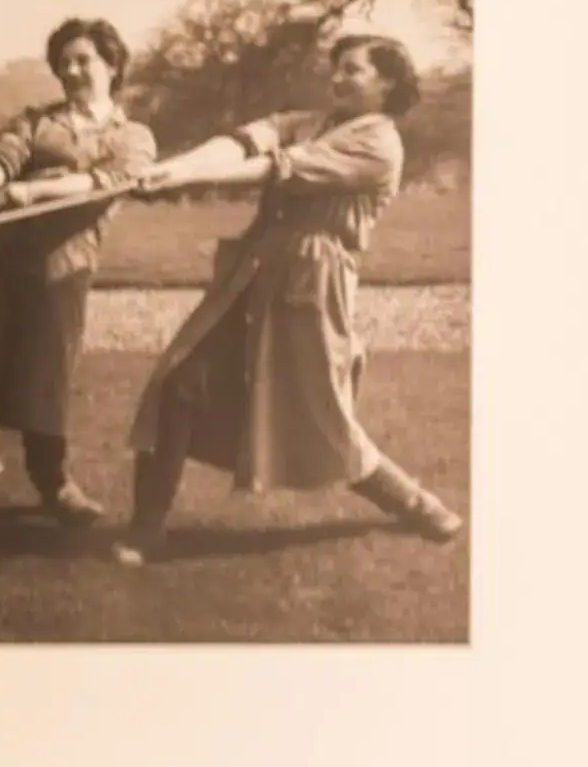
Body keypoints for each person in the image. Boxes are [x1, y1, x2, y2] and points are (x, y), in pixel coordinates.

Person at [111, 32, 462, 565]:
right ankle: (146, 531)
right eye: (336, 67)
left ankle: (417, 504)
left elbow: (274, 167)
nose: (338, 78)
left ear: (387, 82)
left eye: (353, 70)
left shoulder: (378, 141)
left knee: (324, 421)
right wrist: (177, 169)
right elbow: (243, 142)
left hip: (313, 284)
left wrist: (181, 178)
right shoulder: (313, 120)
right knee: (177, 382)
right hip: (254, 270)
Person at [0, 17, 157, 526]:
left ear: (112, 65)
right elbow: (1, 160)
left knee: (46, 379)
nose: (71, 71)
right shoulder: (35, 121)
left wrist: (31, 191)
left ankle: (54, 486)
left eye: (83, 60)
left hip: (61, 271)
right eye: (63, 62)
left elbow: (104, 183)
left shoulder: (134, 136)